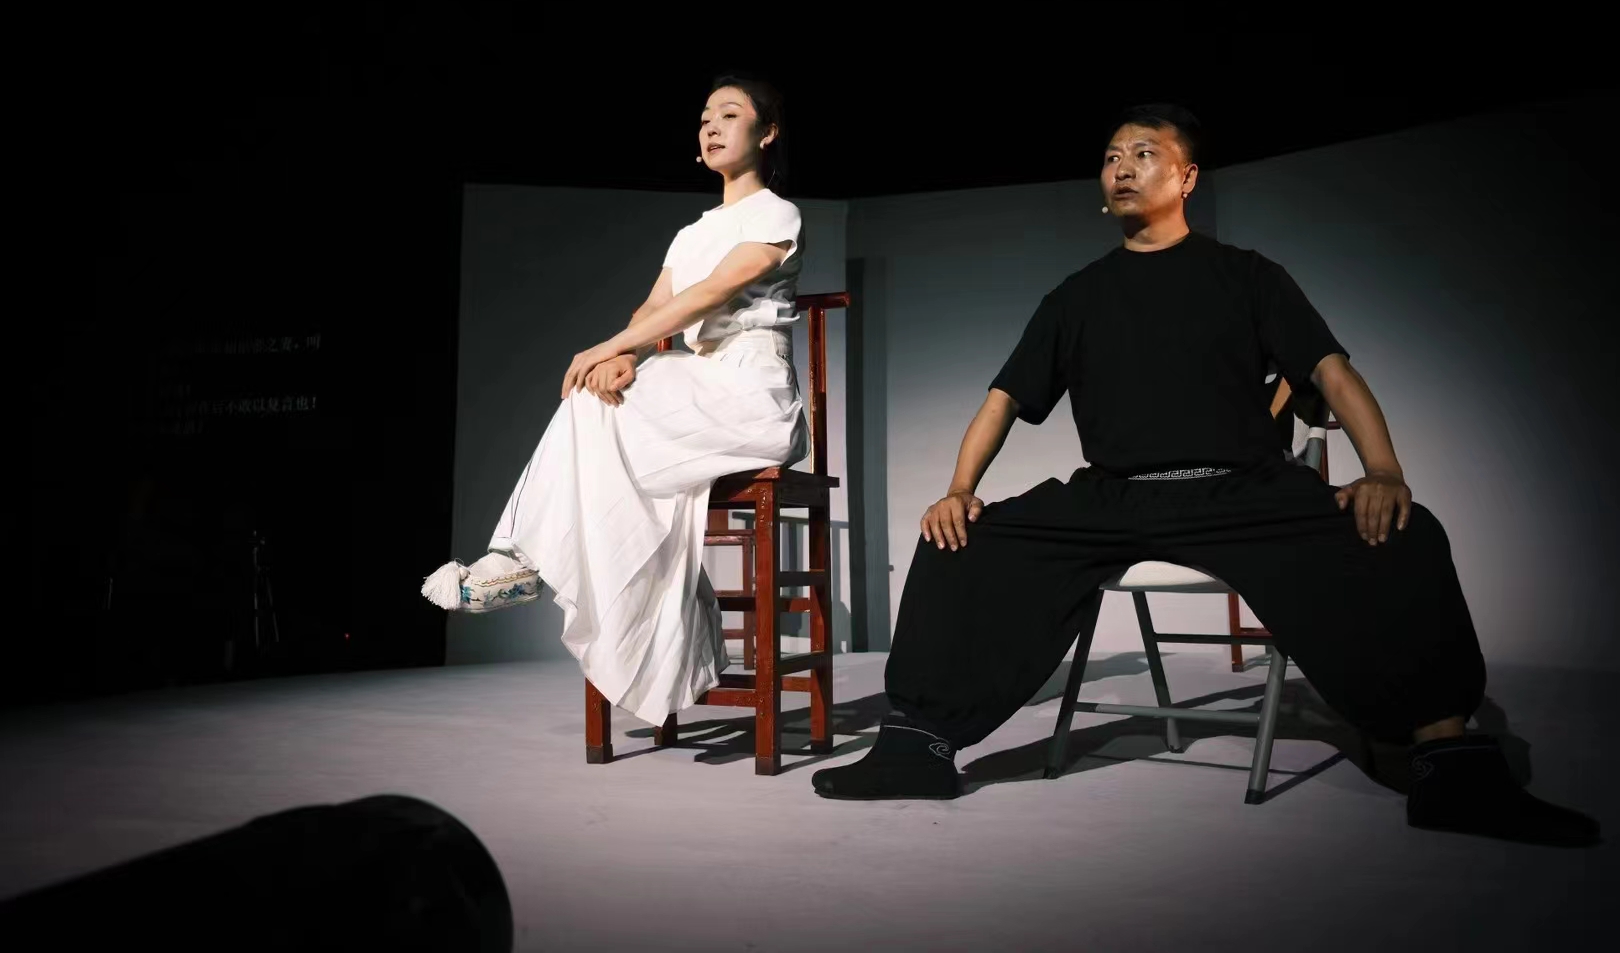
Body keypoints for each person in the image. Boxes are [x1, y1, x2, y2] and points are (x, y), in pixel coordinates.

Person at [810, 104, 1600, 848]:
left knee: (1407, 531)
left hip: (1239, 489)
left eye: (1143, 154)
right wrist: (959, 488)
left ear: (1186, 177)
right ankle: (915, 746)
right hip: (1116, 496)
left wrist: (1384, 469)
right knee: (956, 540)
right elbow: (1002, 400)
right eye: (1111, 157)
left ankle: (1450, 764)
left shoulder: (1248, 276)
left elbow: (1332, 371)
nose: (1122, 168)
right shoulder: (1077, 296)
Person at [421, 76, 809, 727]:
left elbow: (712, 292)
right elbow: (654, 307)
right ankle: (522, 563)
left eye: (729, 114)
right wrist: (626, 355)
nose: (711, 127)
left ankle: (527, 562)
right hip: (696, 386)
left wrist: (610, 346)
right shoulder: (691, 233)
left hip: (751, 393)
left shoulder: (777, 213)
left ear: (767, 133)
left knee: (596, 415)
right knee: (591, 402)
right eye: (704, 118)